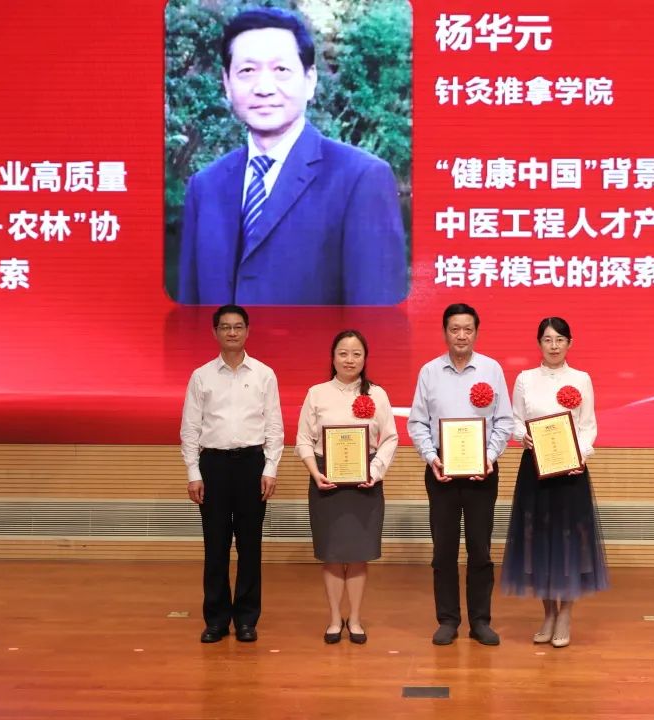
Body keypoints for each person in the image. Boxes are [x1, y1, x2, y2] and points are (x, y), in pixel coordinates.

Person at [176, 7, 407, 306]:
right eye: (247, 71)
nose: (263, 88)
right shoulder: (204, 186)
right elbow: (189, 312)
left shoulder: (360, 179)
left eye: (281, 70)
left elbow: (377, 318)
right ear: (227, 83)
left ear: (310, 80)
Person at [407, 303, 512, 646]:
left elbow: (504, 421)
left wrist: (489, 457)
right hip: (442, 472)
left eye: (468, 329)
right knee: (444, 550)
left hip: (483, 473)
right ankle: (448, 619)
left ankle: (480, 621)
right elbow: (417, 423)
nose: (461, 335)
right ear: (445, 333)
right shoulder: (429, 372)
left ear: (476, 332)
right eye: (455, 329)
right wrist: (431, 457)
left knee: (480, 549)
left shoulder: (492, 369)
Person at [500, 317, 609, 648]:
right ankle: (548, 612)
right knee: (538, 539)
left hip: (571, 471)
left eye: (560, 339)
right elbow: (515, 420)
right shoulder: (525, 379)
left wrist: (581, 455)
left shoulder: (581, 379)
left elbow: (588, 425)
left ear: (569, 343)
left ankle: (566, 614)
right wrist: (522, 436)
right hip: (535, 468)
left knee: (570, 540)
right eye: (548, 339)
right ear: (539, 344)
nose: (554, 345)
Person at [179, 304, 284, 643]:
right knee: (216, 545)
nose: (232, 332)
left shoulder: (264, 374)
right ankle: (216, 619)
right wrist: (193, 472)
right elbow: (190, 428)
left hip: (252, 464)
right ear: (215, 332)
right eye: (225, 327)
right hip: (214, 466)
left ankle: (247, 619)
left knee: (250, 546)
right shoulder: (202, 376)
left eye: (238, 326)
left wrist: (270, 468)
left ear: (248, 331)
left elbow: (274, 426)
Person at [295, 330, 398, 644]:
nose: (349, 360)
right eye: (343, 353)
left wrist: (375, 472)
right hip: (326, 480)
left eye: (356, 354)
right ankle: (333, 619)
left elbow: (390, 438)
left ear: (365, 358)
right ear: (333, 357)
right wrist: (315, 473)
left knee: (357, 554)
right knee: (331, 553)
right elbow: (303, 439)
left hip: (365, 481)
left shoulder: (377, 394)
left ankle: (354, 618)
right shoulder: (317, 393)